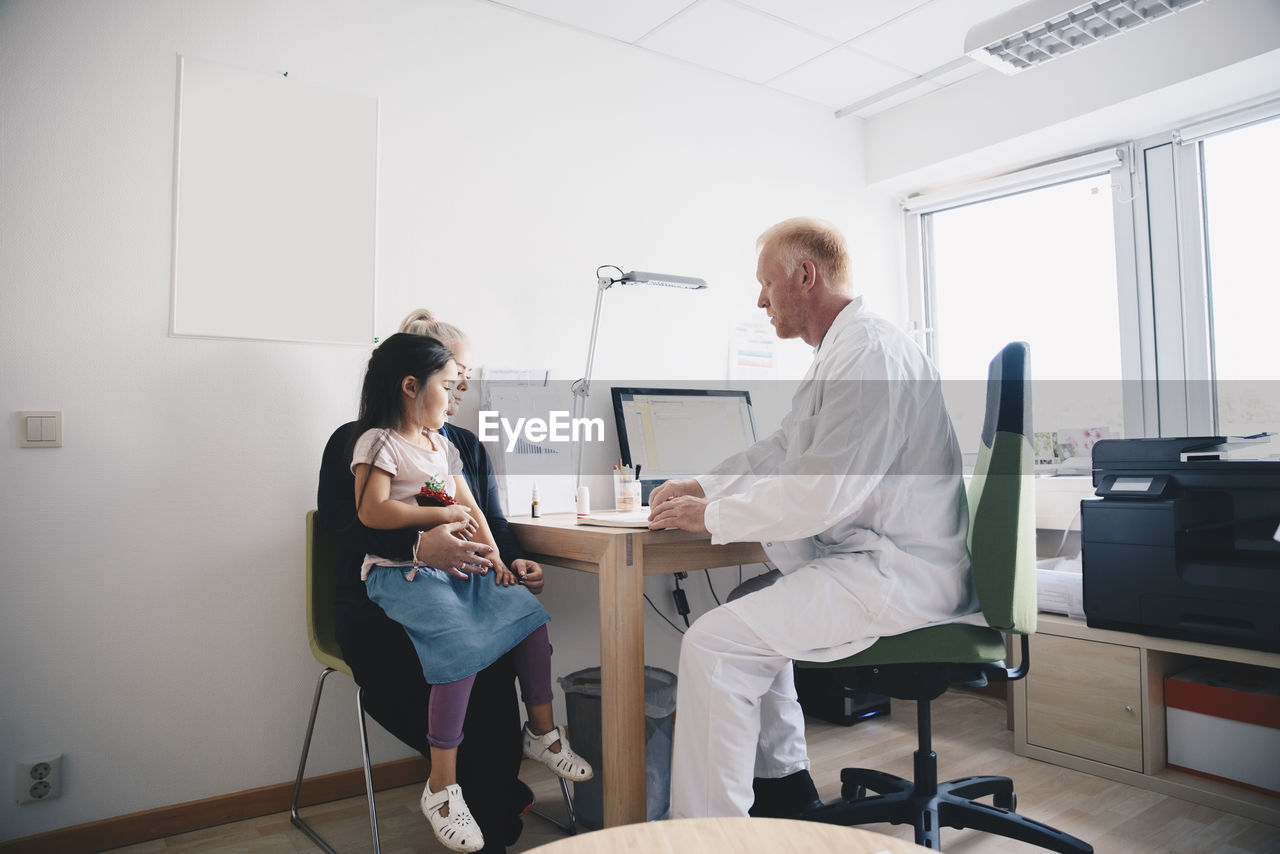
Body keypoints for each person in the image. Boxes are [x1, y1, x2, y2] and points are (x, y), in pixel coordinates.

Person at [647, 217, 975, 819]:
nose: (760, 300)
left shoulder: (869, 351)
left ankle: (710, 836)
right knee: (743, 605)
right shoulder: (843, 351)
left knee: (715, 646)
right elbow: (783, 448)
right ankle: (784, 786)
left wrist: (713, 514)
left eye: (766, 284)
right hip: (871, 558)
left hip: (896, 572)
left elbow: (825, 491)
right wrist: (705, 485)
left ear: (805, 275)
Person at [349, 333, 591, 853]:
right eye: (448, 383)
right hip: (401, 573)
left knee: (527, 614)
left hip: (454, 567)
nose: (458, 393)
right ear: (411, 386)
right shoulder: (378, 442)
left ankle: (543, 732)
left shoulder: (438, 445)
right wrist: (439, 517)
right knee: (460, 651)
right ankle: (442, 787)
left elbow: (470, 507)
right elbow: (374, 512)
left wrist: (498, 561)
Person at [316, 312, 540, 854]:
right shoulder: (359, 442)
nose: (462, 386)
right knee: (461, 662)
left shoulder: (457, 444)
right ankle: (479, 801)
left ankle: (488, 809)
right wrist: (421, 546)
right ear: (414, 379)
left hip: (460, 592)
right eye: (454, 374)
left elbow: (490, 520)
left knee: (497, 651)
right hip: (381, 601)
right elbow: (345, 529)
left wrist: (513, 561)